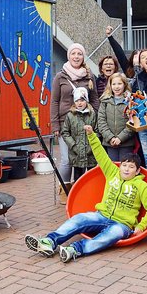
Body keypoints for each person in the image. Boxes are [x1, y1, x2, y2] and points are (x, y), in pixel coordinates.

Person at [25, 125, 147, 263]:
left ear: (137, 171)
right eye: (124, 165)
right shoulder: (112, 172)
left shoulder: (142, 185)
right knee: (79, 219)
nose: (126, 169)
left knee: (113, 234)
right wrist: (91, 135)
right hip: (101, 215)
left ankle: (75, 249)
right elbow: (100, 154)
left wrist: (141, 226)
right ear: (120, 166)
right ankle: (49, 241)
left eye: (131, 167)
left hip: (122, 224)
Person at [51, 43, 100, 202]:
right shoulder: (60, 76)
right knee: (67, 160)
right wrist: (55, 125)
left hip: (86, 123)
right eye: (73, 53)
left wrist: (98, 120)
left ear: (83, 56)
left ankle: (81, 190)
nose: (76, 56)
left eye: (79, 54)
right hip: (66, 122)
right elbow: (54, 102)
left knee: (83, 158)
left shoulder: (89, 75)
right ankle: (65, 190)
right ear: (69, 56)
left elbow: (94, 99)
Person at [61, 87, 99, 182]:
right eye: (77, 100)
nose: (79, 103)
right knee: (78, 180)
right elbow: (65, 132)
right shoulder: (70, 115)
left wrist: (92, 145)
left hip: (91, 154)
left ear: (86, 100)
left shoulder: (93, 114)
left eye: (82, 100)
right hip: (76, 154)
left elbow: (98, 131)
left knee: (92, 179)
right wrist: (73, 145)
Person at [97, 73, 135, 161]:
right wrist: (110, 138)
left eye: (119, 84)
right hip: (110, 142)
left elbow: (133, 122)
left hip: (126, 143)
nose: (116, 87)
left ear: (124, 84)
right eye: (114, 84)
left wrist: (120, 138)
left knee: (125, 166)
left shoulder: (130, 101)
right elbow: (101, 121)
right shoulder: (105, 101)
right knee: (113, 168)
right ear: (110, 85)